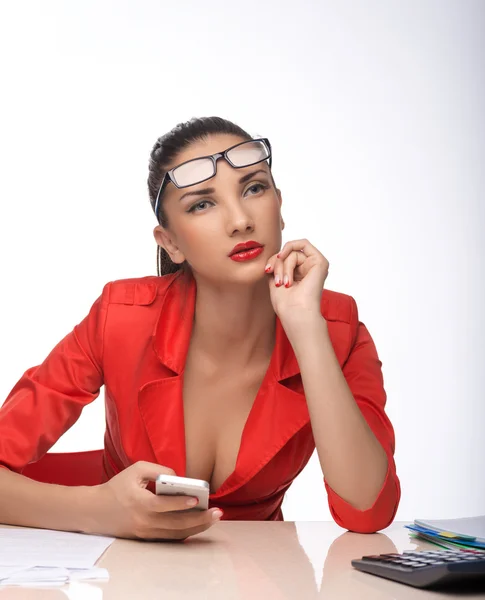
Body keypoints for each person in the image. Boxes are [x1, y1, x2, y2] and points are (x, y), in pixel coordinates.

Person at [0, 116, 401, 541]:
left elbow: (367, 512)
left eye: (254, 188)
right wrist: (100, 510)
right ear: (170, 242)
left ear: (279, 205)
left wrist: (306, 329)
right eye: (202, 204)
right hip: (126, 575)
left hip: (262, 579)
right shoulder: (121, 315)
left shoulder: (337, 329)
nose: (240, 220)